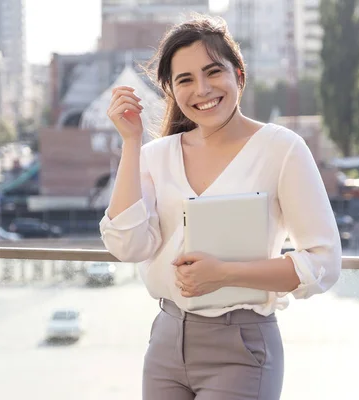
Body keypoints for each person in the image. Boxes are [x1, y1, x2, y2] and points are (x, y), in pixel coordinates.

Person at [100, 14, 342, 400]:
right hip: (165, 341)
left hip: (241, 347)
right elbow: (128, 246)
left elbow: (323, 264)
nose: (202, 89)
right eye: (185, 80)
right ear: (170, 91)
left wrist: (225, 273)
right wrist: (131, 142)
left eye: (214, 72)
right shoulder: (154, 156)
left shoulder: (282, 149)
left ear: (239, 75)